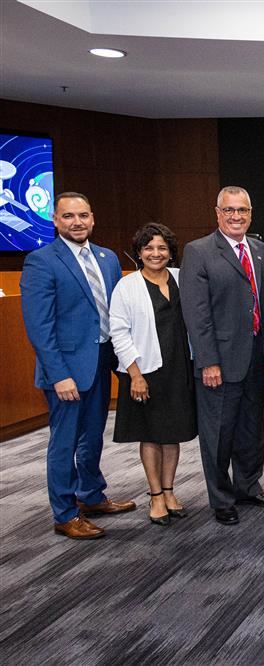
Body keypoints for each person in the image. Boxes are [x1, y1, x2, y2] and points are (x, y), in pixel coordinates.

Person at [20, 192, 134, 539]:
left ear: (93, 217)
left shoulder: (108, 257)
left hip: (101, 362)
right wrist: (59, 375)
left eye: (83, 215)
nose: (77, 222)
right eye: (68, 217)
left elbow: (116, 312)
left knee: (93, 435)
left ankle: (91, 496)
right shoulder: (41, 260)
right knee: (64, 442)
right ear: (55, 220)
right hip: (65, 371)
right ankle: (65, 513)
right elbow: (39, 328)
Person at [180, 186, 264, 526]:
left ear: (251, 213)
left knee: (251, 428)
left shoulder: (261, 249)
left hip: (254, 355)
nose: (236, 216)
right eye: (229, 210)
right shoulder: (199, 251)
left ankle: (248, 486)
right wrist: (207, 360)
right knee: (218, 433)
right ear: (217, 212)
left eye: (242, 210)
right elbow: (197, 314)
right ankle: (221, 498)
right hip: (218, 362)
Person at [109, 223, 197, 526]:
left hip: (179, 367)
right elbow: (118, 333)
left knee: (173, 435)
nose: (155, 253)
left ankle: (170, 491)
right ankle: (156, 496)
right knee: (150, 434)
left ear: (171, 252)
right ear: (139, 252)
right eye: (148, 248)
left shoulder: (181, 278)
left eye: (162, 248)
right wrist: (135, 375)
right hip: (145, 371)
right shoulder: (127, 286)